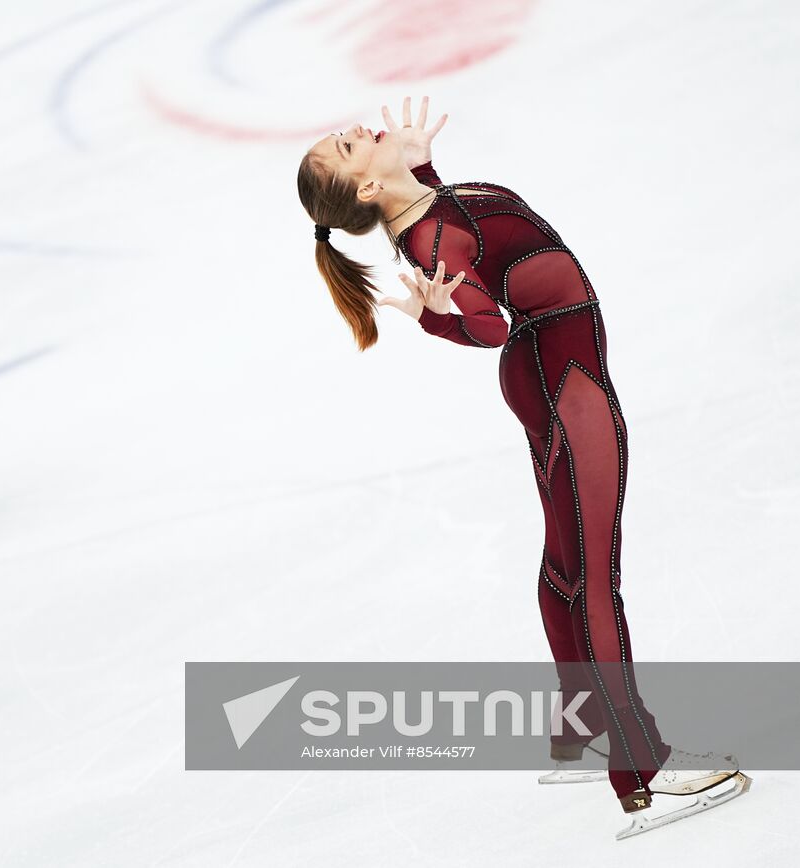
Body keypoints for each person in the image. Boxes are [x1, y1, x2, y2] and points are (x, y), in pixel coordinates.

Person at [295, 96, 748, 837]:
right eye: (345, 149)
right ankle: (641, 766)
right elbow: (486, 322)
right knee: (595, 576)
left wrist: (423, 169)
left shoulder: (427, 206)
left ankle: (581, 730)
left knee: (567, 565)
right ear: (367, 192)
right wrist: (435, 314)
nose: (349, 131)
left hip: (550, 374)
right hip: (565, 382)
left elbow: (477, 247)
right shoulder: (432, 234)